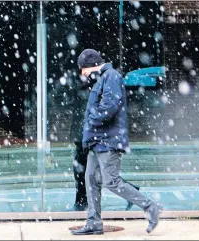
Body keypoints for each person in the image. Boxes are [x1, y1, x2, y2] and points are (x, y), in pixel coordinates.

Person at [71, 49, 163, 235]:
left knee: (111, 181)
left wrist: (90, 120)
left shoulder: (111, 77)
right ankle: (94, 222)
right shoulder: (103, 77)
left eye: (83, 69)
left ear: (91, 64)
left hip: (107, 141)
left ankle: (151, 206)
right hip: (97, 141)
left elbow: (109, 108)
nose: (82, 73)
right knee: (90, 180)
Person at [69, 81, 140, 212]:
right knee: (93, 170)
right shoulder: (91, 86)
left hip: (88, 135)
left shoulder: (96, 86)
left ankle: (81, 202)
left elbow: (98, 112)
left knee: (85, 170)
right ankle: (130, 190)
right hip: (85, 134)